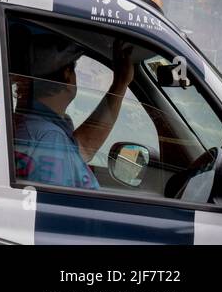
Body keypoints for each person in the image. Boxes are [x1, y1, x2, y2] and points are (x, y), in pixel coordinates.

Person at [12, 33, 135, 189]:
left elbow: (83, 147)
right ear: (67, 74)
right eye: (74, 68)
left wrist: (120, 83)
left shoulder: (35, 126)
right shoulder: (49, 137)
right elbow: (56, 205)